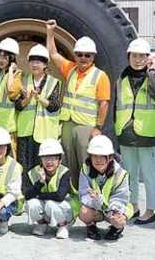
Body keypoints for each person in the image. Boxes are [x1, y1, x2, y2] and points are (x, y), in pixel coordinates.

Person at [46, 20, 111, 187]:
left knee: (85, 161)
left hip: (85, 127)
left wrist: (98, 127)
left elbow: (104, 103)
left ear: (93, 57)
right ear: (75, 55)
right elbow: (53, 54)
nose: (83, 58)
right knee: (68, 161)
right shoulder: (71, 69)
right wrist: (50, 32)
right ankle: (73, 193)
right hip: (68, 123)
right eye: (79, 54)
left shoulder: (100, 76)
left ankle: (89, 194)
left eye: (87, 55)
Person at [115, 38, 155, 225]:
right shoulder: (122, 77)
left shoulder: (154, 76)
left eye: (142, 56)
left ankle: (150, 210)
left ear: (148, 58)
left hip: (147, 133)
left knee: (150, 174)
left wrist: (151, 71)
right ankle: (132, 206)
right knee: (129, 174)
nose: (138, 59)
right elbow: (116, 105)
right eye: (134, 55)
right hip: (126, 132)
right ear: (129, 57)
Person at [15, 44, 63, 172]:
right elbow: (18, 106)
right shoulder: (23, 81)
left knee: (40, 166)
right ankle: (25, 191)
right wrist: (27, 99)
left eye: (38, 62)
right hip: (25, 130)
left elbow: (54, 106)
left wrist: (38, 98)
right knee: (24, 165)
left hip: (44, 133)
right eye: (32, 61)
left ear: (45, 64)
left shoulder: (53, 82)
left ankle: (40, 190)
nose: (35, 65)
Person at [78, 135, 132, 241]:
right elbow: (83, 194)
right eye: (94, 156)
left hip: (113, 209)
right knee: (84, 213)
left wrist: (113, 211)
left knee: (119, 220)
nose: (98, 160)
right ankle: (91, 226)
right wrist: (97, 201)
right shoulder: (85, 169)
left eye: (102, 156)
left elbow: (121, 198)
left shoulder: (121, 174)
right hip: (95, 208)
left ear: (110, 157)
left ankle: (116, 228)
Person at [24, 139, 77, 239]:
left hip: (65, 209)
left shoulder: (64, 172)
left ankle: (63, 226)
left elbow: (60, 196)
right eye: (45, 158)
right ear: (41, 159)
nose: (49, 162)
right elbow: (27, 195)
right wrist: (40, 183)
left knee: (50, 204)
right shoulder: (35, 171)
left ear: (59, 160)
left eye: (53, 158)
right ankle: (42, 224)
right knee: (31, 203)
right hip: (47, 207)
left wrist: (38, 195)